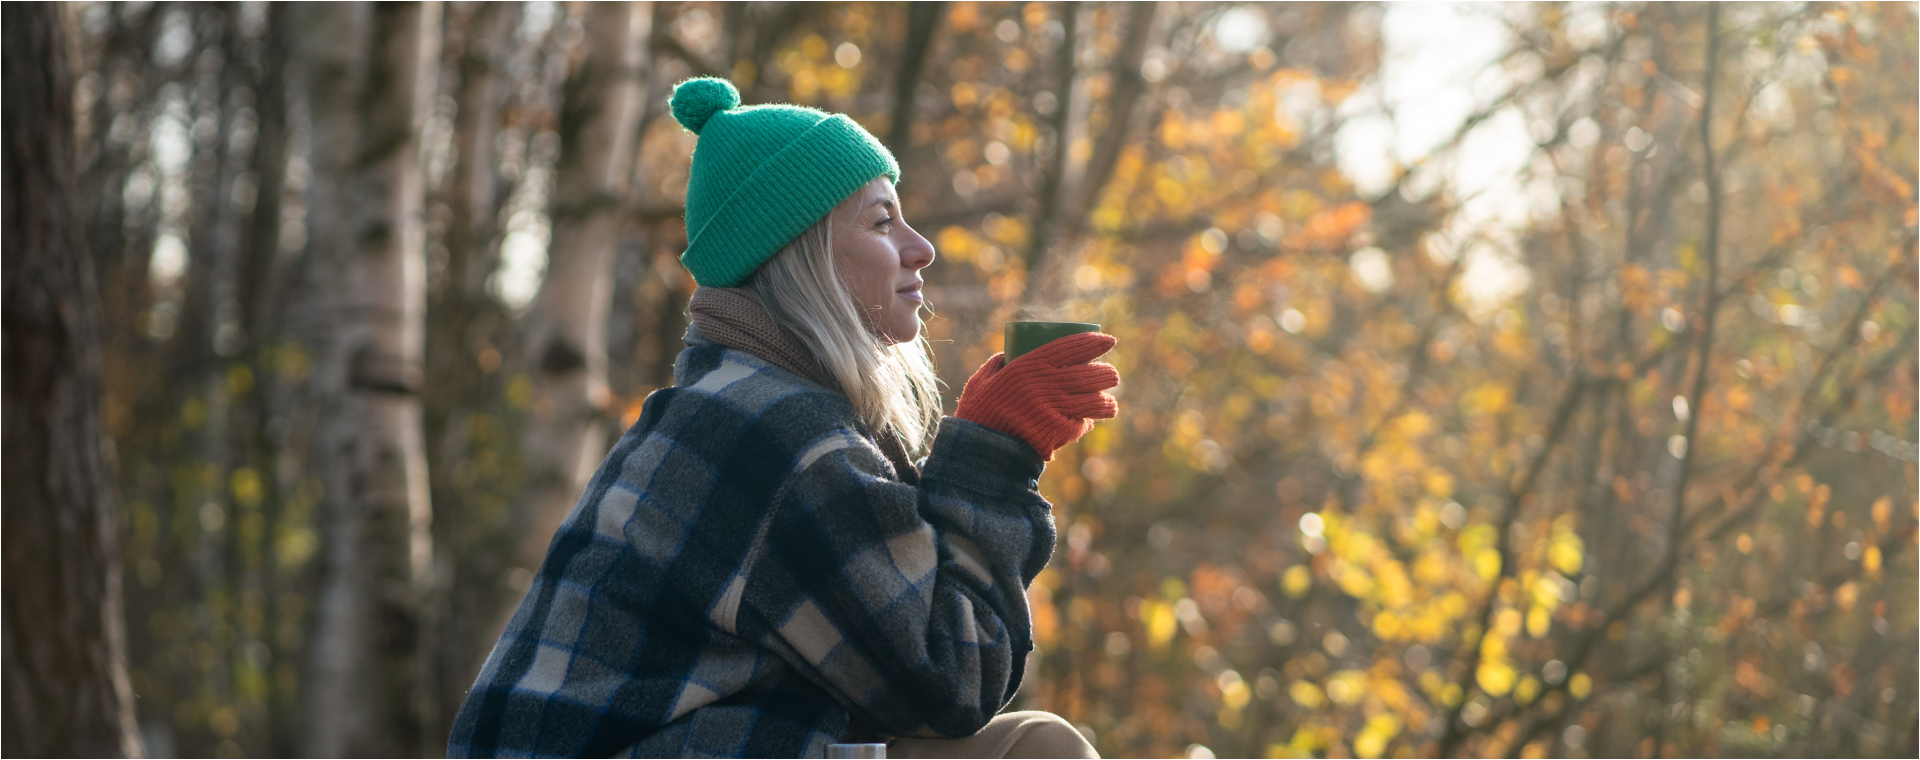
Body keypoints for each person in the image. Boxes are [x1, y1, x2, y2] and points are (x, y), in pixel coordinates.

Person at [447, 77, 1117, 759]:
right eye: (883, 221)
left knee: (1033, 741)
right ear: (804, 256)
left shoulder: (737, 407)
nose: (921, 248)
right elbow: (949, 679)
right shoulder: (771, 433)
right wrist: (991, 458)